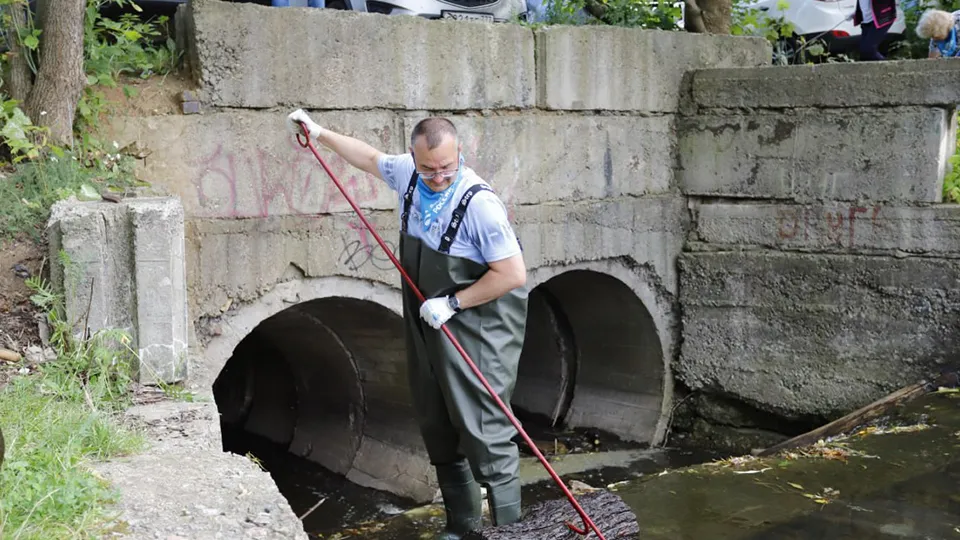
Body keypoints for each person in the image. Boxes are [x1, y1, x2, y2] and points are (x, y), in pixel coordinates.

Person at [285, 109, 529, 538]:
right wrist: (319, 133)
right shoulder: (408, 175)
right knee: (435, 417)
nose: (437, 177)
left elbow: (512, 275)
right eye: (428, 168)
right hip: (429, 321)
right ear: (414, 158)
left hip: (478, 326)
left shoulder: (480, 206)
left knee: (484, 428)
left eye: (446, 168)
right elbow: (368, 158)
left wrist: (453, 302)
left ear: (461, 156)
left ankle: (511, 531)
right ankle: (463, 527)